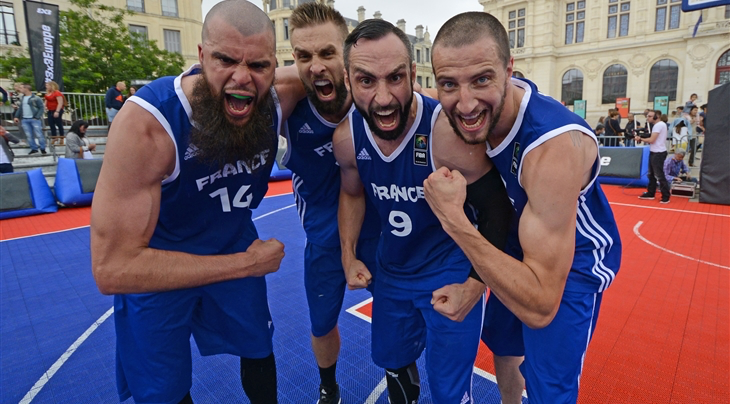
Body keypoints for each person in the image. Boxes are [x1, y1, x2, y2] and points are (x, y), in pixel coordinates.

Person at [90, 1, 304, 402]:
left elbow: (351, 76)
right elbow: (112, 268)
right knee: (161, 388)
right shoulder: (149, 124)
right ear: (201, 56)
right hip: (156, 259)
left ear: (274, 66)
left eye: (258, 66)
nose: (242, 78)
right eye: (225, 60)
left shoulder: (279, 97)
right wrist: (245, 264)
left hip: (230, 237)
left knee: (258, 346)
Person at [424, 12, 622, 404]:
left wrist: (454, 219)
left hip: (572, 262)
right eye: (449, 84)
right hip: (520, 236)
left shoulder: (552, 150)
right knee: (503, 342)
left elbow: (541, 307)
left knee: (550, 386)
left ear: (509, 70)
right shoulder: (479, 108)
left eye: (481, 79)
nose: (465, 103)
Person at [334, 18, 511, 404]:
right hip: (391, 274)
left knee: (449, 392)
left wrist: (475, 283)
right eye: (366, 81)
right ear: (348, 81)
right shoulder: (347, 139)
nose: (383, 98)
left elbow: (498, 210)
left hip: (448, 271)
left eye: (396, 77)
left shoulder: (446, 132)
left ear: (414, 74)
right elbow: (351, 194)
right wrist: (348, 256)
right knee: (393, 364)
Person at [284, 4, 381, 403]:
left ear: (347, 54)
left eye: (326, 53)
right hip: (323, 236)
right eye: (303, 56)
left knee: (398, 316)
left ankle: (400, 379)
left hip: (378, 228)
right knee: (322, 324)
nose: (315, 66)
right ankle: (329, 388)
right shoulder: (286, 101)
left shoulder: (375, 95)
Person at [637, 110, 671, 203]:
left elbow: (652, 139)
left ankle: (666, 195)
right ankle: (651, 193)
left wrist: (640, 138)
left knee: (659, 175)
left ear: (656, 117)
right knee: (651, 174)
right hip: (655, 151)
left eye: (650, 116)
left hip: (658, 153)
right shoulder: (660, 125)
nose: (647, 118)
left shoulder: (658, 125)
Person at [13, 84, 46, 155]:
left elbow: (41, 108)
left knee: (39, 134)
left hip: (34, 119)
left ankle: (43, 148)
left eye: (21, 88)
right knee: (29, 135)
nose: (20, 89)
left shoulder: (36, 98)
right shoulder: (22, 98)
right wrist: (16, 116)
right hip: (25, 119)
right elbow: (20, 108)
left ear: (26, 89)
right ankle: (34, 148)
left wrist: (37, 117)